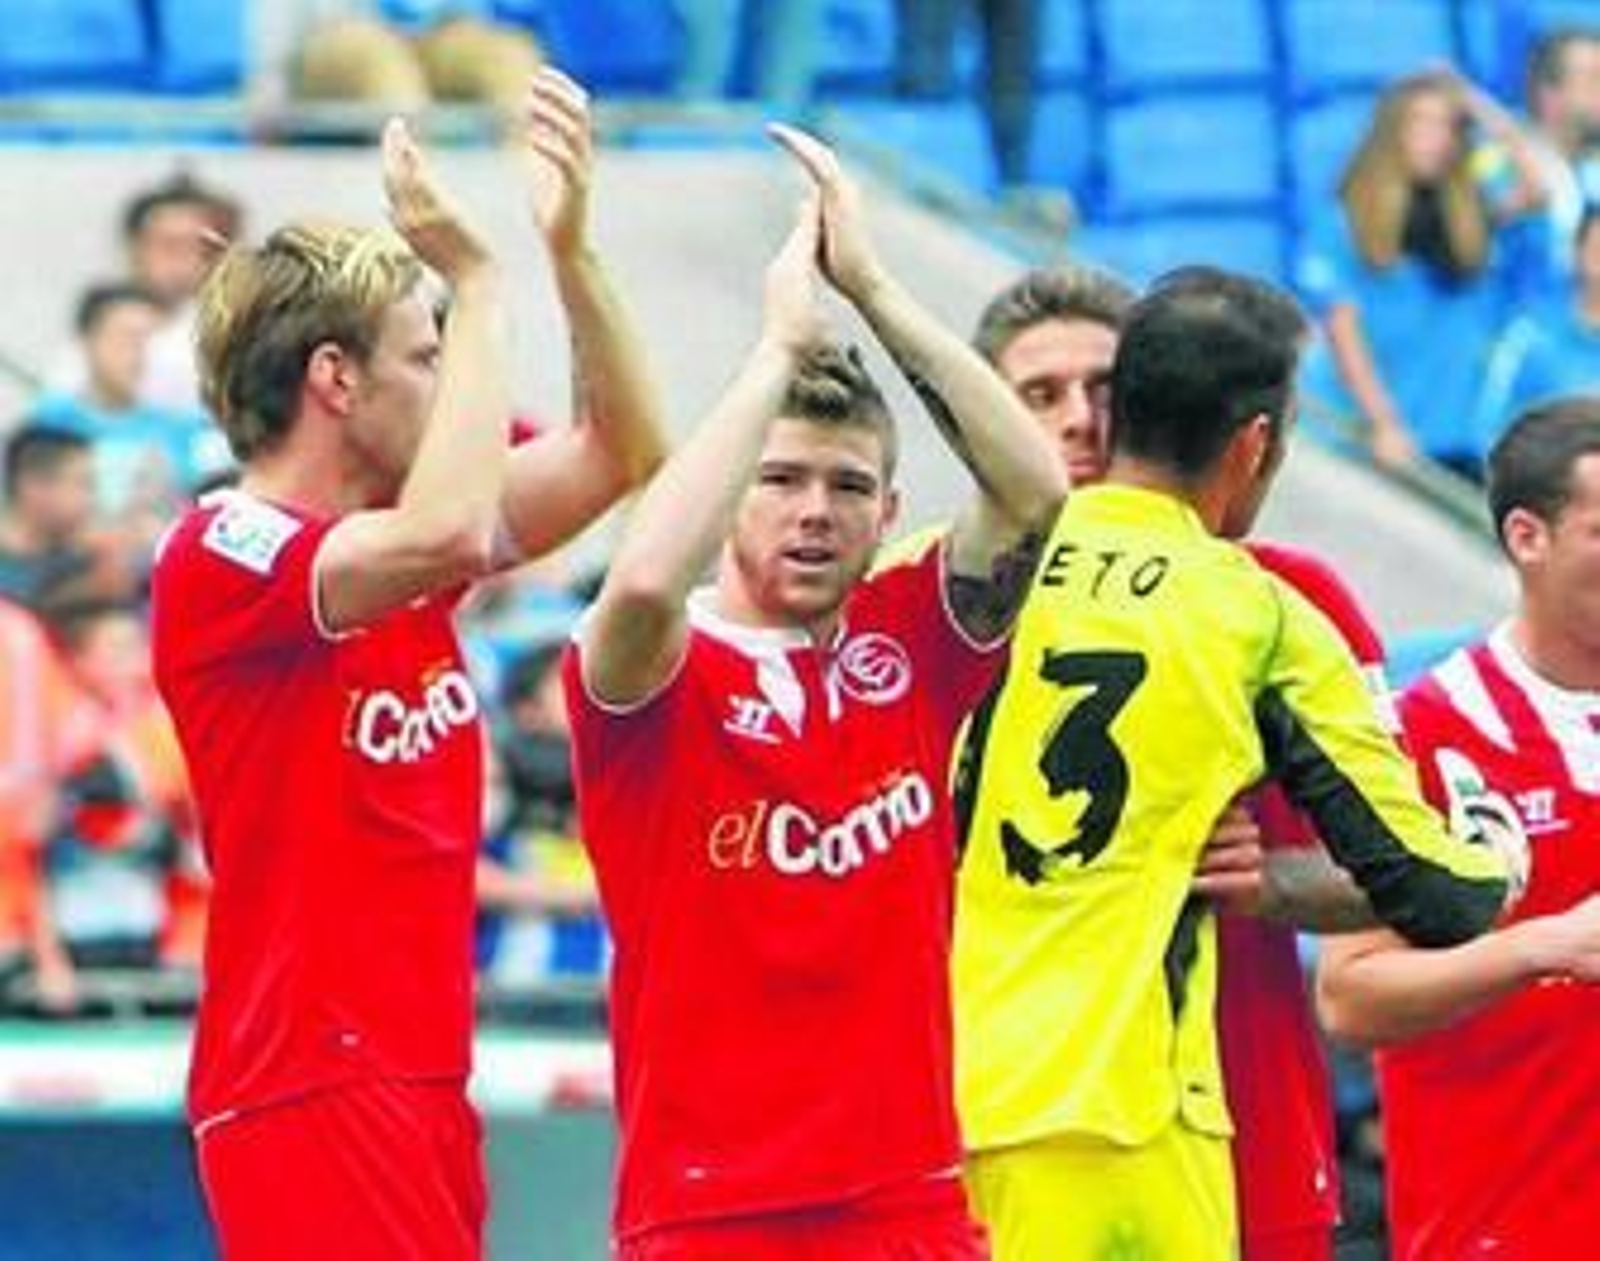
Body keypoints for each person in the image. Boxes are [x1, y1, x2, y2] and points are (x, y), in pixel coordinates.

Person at [149, 68, 666, 1257]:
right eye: (426, 356)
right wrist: (477, 283)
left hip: (419, 1071)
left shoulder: (396, 548)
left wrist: (568, 252)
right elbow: (441, 529)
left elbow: (624, 447)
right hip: (307, 1080)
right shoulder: (226, 547)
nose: (454, 387)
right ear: (336, 378)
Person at [952, 266, 1521, 1260]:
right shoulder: (949, 602)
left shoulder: (1297, 592)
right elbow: (1431, 878)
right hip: (1044, 1109)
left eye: (1099, 388)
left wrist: (1272, 881)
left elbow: (1366, 883)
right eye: (1040, 397)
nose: (1079, 421)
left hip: (1231, 1099)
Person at [564, 126, 1063, 1257]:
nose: (814, 511)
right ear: (731, 490)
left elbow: (1035, 494)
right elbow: (643, 575)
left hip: (908, 1197)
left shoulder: (909, 642)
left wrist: (873, 288)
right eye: (779, 480)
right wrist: (776, 346)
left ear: (887, 515)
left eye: (847, 487)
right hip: (713, 1206)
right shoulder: (652, 670)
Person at [1317, 397, 1600, 1260]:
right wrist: (1540, 945)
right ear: (1528, 536)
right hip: (1499, 1222)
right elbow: (1349, 993)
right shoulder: (1424, 732)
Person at [1295, 68, 1544, 476]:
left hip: (1453, 435)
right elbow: (1344, 332)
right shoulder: (1345, 218)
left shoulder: (1470, 215)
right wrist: (1384, 423)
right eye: (1421, 123)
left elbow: (1538, 188)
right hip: (1376, 439)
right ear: (1391, 131)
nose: (1436, 138)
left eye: (1448, 125)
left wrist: (1476, 105)